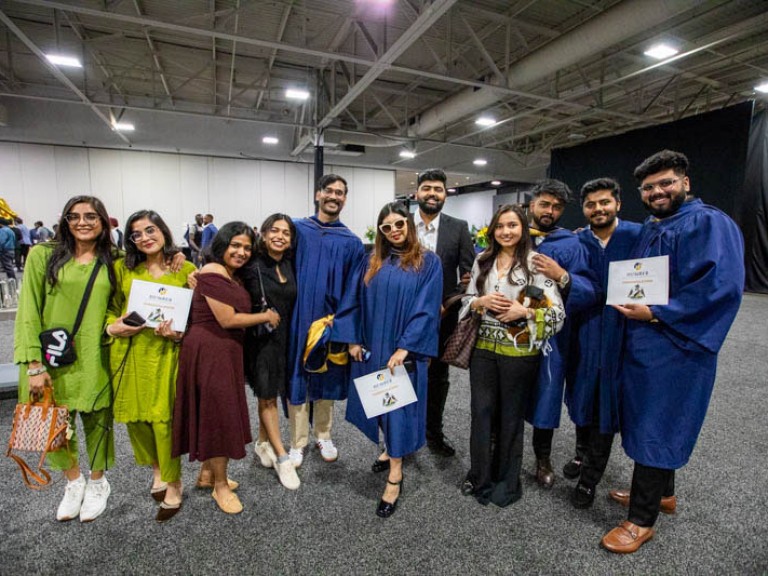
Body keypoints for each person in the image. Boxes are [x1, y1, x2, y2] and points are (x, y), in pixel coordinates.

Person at [601, 150, 744, 553]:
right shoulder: (654, 226)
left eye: (666, 183)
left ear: (685, 183)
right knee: (648, 418)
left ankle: (640, 521)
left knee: (660, 423)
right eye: (649, 187)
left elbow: (722, 288)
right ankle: (662, 494)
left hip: (679, 344)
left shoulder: (709, 223)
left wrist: (658, 313)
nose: (658, 191)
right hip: (647, 341)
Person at [14, 195, 120, 522]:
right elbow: (28, 311)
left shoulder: (115, 259)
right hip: (48, 358)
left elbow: (133, 294)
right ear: (65, 220)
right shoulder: (42, 256)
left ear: (103, 221)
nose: (82, 222)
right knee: (52, 423)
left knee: (99, 421)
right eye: (74, 217)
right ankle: (73, 482)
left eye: (90, 216)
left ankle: (99, 482)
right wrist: (33, 364)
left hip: (94, 353)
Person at [340, 202, 442, 517]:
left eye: (399, 224)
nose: (394, 231)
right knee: (379, 407)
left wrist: (405, 347)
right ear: (381, 231)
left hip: (401, 353)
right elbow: (353, 299)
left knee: (398, 411)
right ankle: (388, 450)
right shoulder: (371, 260)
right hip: (372, 348)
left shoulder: (428, 262)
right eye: (387, 227)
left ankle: (395, 475)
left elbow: (427, 309)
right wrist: (353, 337)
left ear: (409, 224)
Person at [460, 204, 564, 507]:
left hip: (519, 353)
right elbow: (466, 301)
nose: (506, 231)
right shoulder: (483, 260)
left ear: (523, 229)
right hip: (482, 351)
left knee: (510, 417)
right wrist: (479, 302)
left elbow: (558, 315)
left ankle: (507, 480)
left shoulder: (536, 263)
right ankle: (480, 476)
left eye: (513, 225)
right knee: (481, 414)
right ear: (493, 230)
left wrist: (526, 311)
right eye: (501, 226)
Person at [172, 222, 278, 515]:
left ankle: (207, 475)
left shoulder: (224, 273)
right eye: (235, 245)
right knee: (219, 418)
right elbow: (228, 319)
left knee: (213, 412)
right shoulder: (212, 273)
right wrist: (265, 316)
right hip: (211, 351)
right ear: (221, 245)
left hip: (222, 351)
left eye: (246, 247)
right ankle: (220, 485)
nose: (242, 252)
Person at [105, 210, 196, 522]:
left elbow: (196, 317)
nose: (144, 237)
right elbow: (110, 309)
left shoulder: (185, 268)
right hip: (129, 353)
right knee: (136, 419)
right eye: (137, 234)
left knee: (163, 420)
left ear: (163, 231)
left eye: (150, 230)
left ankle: (175, 481)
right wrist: (111, 326)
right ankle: (156, 469)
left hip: (167, 354)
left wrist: (180, 333)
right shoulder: (121, 268)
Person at [564, 178, 642, 509]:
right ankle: (582, 454)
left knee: (605, 407)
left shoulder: (639, 236)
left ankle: (590, 478)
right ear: (583, 209)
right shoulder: (577, 240)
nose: (599, 209)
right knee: (581, 397)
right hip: (584, 329)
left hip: (622, 332)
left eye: (605, 202)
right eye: (591, 204)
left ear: (618, 204)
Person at [286, 174, 366, 467]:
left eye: (340, 193)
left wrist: (343, 325)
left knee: (326, 374)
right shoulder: (297, 230)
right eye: (329, 191)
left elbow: (354, 288)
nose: (334, 196)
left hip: (331, 320)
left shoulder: (353, 243)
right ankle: (297, 441)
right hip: (297, 317)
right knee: (297, 375)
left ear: (345, 199)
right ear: (318, 194)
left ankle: (323, 433)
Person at [524, 179, 597, 489]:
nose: (550, 211)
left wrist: (562, 275)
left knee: (547, 393)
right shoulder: (512, 235)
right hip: (511, 329)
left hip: (552, 334)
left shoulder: (570, 244)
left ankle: (543, 459)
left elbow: (590, 289)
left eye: (556, 207)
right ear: (532, 204)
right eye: (544, 204)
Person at [412, 169, 475, 457]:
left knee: (438, 377)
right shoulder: (402, 224)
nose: (432, 193)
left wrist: (448, 302)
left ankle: (433, 432)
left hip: (442, 317)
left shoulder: (458, 228)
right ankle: (399, 436)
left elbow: (469, 275)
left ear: (446, 195)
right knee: (400, 373)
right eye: (427, 188)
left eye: (438, 189)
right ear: (417, 193)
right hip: (404, 316)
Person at [241, 213, 301, 491]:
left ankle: (262, 442)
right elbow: (221, 271)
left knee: (273, 393)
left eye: (286, 233)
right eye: (274, 230)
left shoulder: (290, 262)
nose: (280, 236)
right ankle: (282, 456)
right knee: (267, 398)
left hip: (286, 338)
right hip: (261, 341)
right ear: (263, 234)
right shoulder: (250, 265)